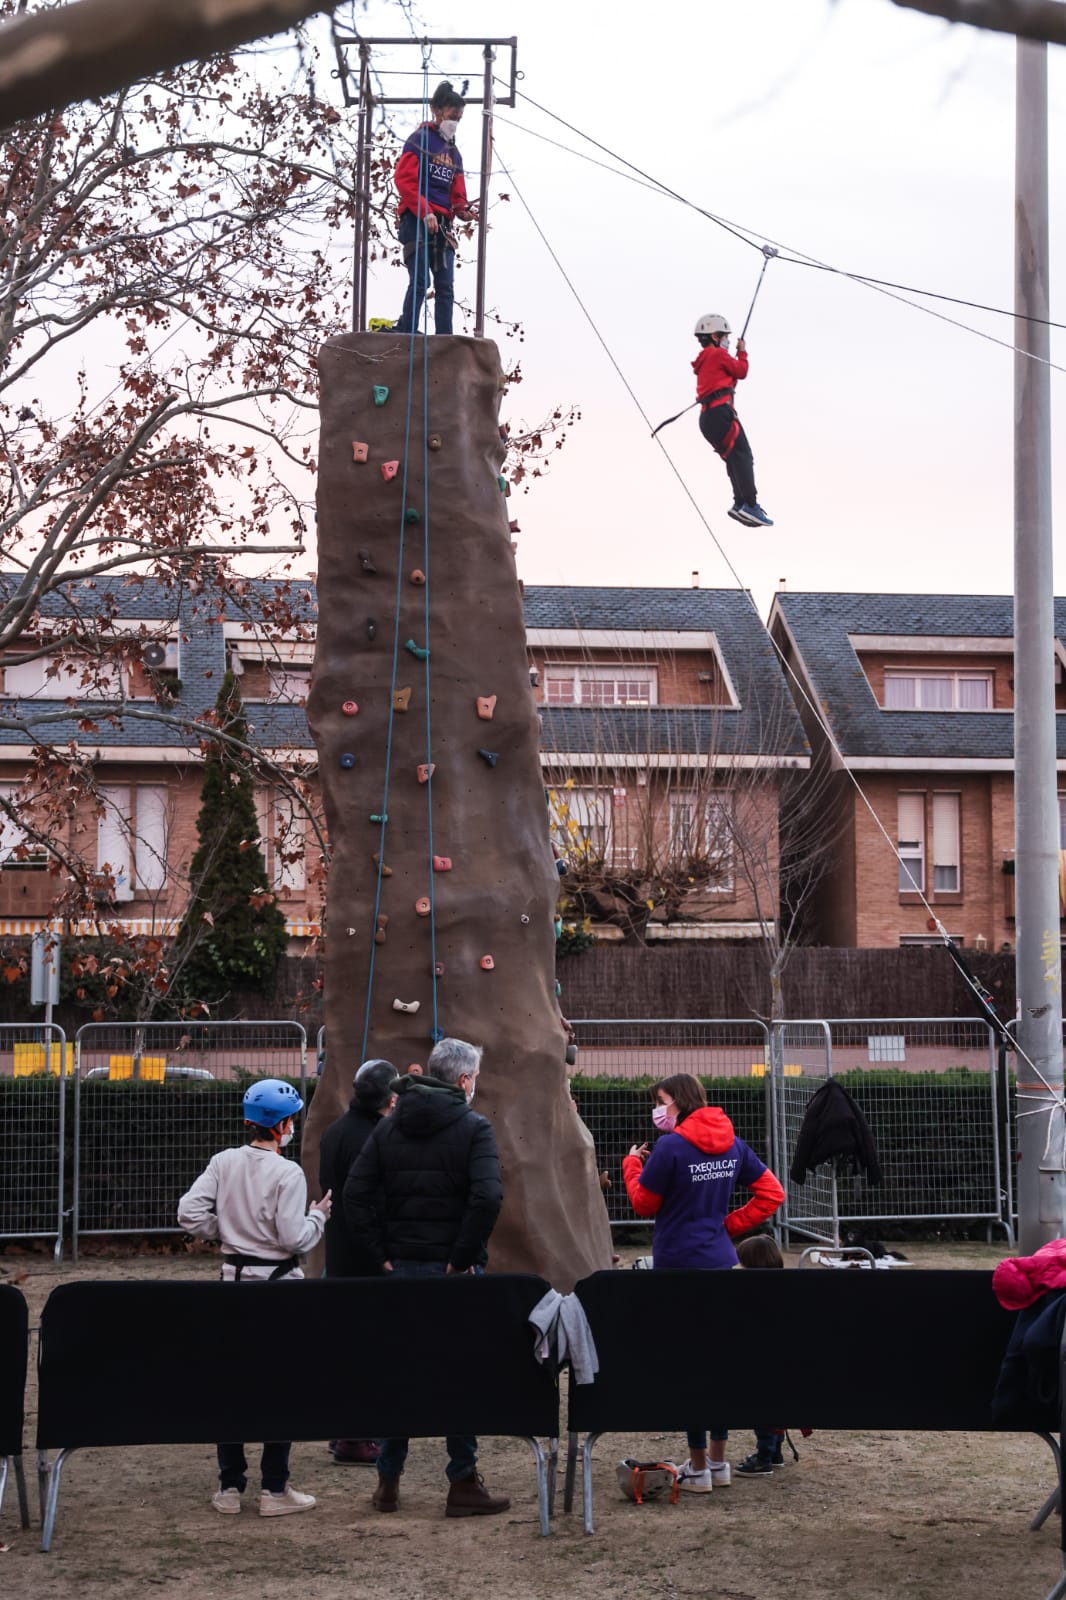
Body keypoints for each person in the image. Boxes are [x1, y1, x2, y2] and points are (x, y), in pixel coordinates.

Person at [343, 1036, 509, 1518]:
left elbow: (355, 1192)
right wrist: (461, 1257)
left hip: (401, 1271)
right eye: (475, 1076)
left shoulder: (389, 1128)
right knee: (460, 1374)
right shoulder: (475, 1128)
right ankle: (462, 1479)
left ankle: (388, 1481)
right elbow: (487, 1198)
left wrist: (380, 1252)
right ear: (463, 1080)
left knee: (402, 1371)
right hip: (454, 1273)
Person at [622, 1073, 784, 1494]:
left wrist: (630, 1165)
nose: (657, 1109)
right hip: (721, 1265)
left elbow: (643, 1203)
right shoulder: (732, 1142)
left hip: (677, 1267)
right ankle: (718, 1462)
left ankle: (696, 1468)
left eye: (661, 1100)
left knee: (690, 1366)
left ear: (678, 1100)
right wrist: (724, 1229)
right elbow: (771, 1193)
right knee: (718, 1364)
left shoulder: (671, 1147)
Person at [177, 1077, 331, 1517]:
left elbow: (188, 1213)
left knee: (232, 1384)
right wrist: (317, 1218)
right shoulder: (288, 1173)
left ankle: (229, 1486)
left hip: (232, 1283)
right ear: (283, 1125)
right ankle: (275, 1488)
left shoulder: (224, 1162)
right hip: (278, 1290)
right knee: (279, 1386)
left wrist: (223, 1232)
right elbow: (294, 1238)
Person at [319, 1057, 399, 1466]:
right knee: (370, 1346)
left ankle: (343, 1430)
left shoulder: (335, 1131)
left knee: (345, 1343)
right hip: (367, 1257)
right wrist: (381, 1253)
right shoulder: (376, 1136)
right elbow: (367, 1200)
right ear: (388, 1099)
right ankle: (358, 1437)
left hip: (340, 1251)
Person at [393, 80, 479, 336]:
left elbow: (457, 193)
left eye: (459, 119)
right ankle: (408, 329)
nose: (455, 123)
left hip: (442, 224)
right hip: (416, 219)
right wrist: (424, 210)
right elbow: (404, 180)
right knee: (420, 280)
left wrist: (462, 210)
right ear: (437, 111)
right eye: (453, 116)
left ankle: (444, 338)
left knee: (445, 285)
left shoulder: (454, 153)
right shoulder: (419, 140)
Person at [692, 312, 774, 529]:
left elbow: (730, 376)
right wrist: (742, 351)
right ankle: (750, 504)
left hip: (708, 419)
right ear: (715, 336)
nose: (727, 339)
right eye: (724, 336)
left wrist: (736, 354)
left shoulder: (706, 360)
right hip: (721, 414)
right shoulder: (717, 355)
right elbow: (742, 370)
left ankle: (740, 503)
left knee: (734, 459)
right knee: (743, 456)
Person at [733, 1233, 791, 1475]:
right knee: (777, 1406)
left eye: (743, 1263)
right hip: (785, 1365)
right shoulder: (785, 1290)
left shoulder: (753, 1294)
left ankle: (764, 1456)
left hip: (762, 1365)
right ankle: (775, 1451)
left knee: (762, 1408)